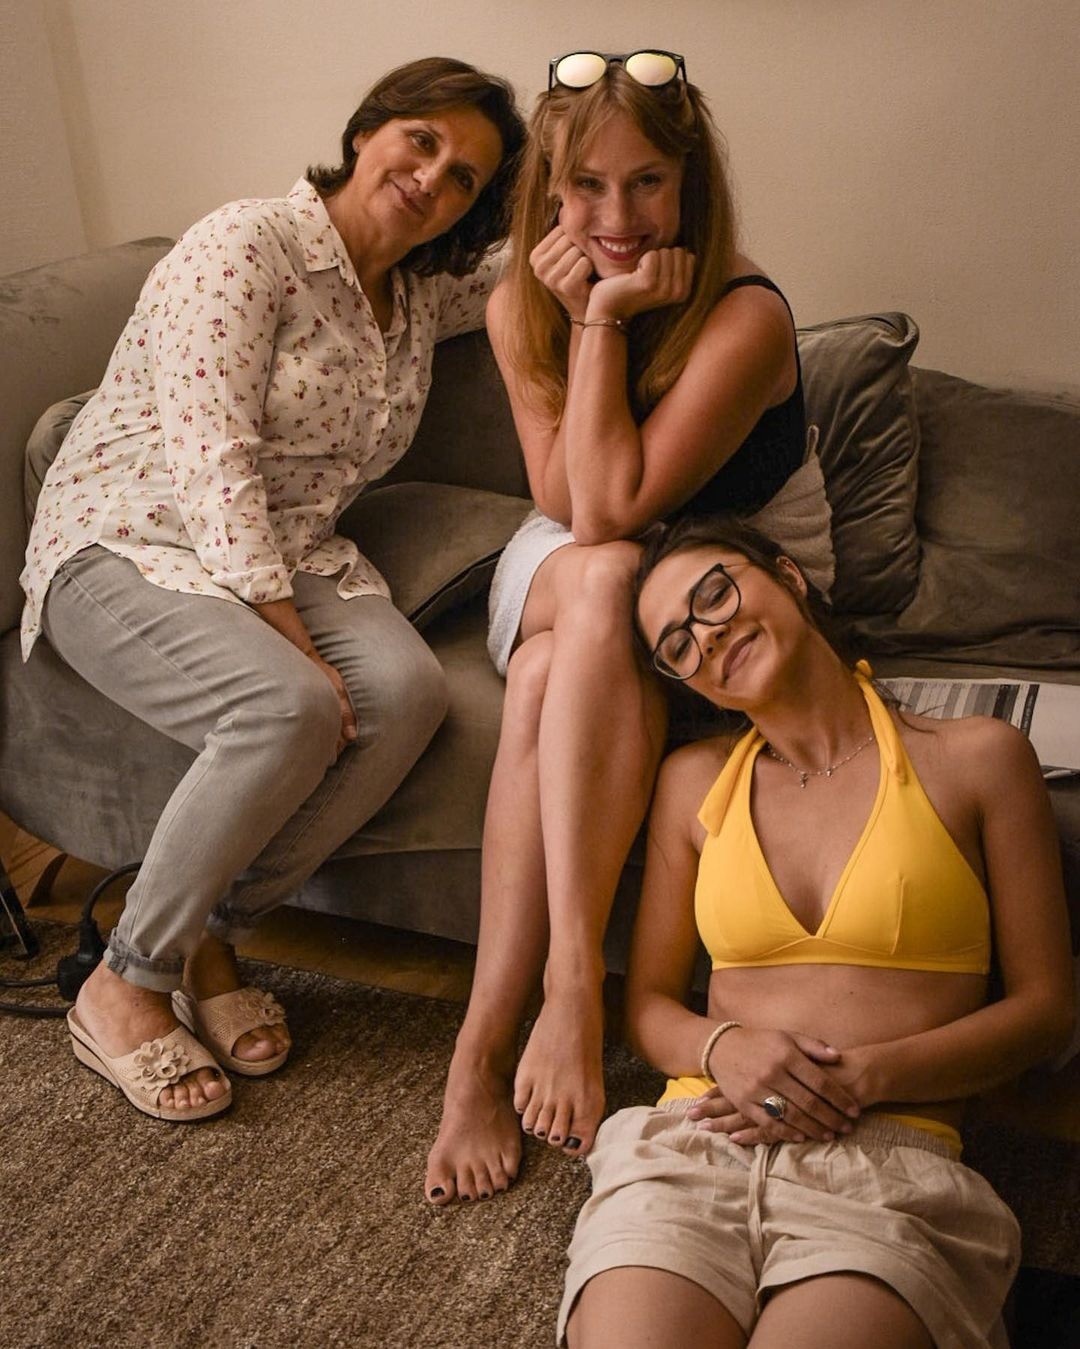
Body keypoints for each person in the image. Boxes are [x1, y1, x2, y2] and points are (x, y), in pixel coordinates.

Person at [19, 56, 525, 1123]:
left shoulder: (418, 295)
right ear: (369, 129)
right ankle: (124, 980)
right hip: (131, 533)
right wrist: (290, 639)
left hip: (288, 548)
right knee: (287, 705)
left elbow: (542, 265)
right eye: (422, 140)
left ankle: (204, 929)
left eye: (465, 177)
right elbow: (213, 464)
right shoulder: (247, 243)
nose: (433, 177)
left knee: (409, 693)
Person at [427, 49, 830, 1203]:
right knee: (598, 581)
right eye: (588, 186)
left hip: (726, 580)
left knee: (552, 660)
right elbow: (569, 503)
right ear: (549, 192)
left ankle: (492, 1044)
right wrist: (577, 315)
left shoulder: (744, 316)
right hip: (583, 563)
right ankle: (561, 991)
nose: (618, 216)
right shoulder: (519, 303)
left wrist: (601, 318)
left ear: (689, 182)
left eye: (647, 181)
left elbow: (613, 504)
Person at [557, 513, 1075, 1347]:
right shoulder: (691, 783)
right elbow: (648, 1004)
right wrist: (723, 1045)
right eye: (677, 644)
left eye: (715, 594)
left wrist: (864, 1077)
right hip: (698, 1140)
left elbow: (1047, 1009)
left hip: (887, 1166)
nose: (706, 635)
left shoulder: (978, 759)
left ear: (789, 577)